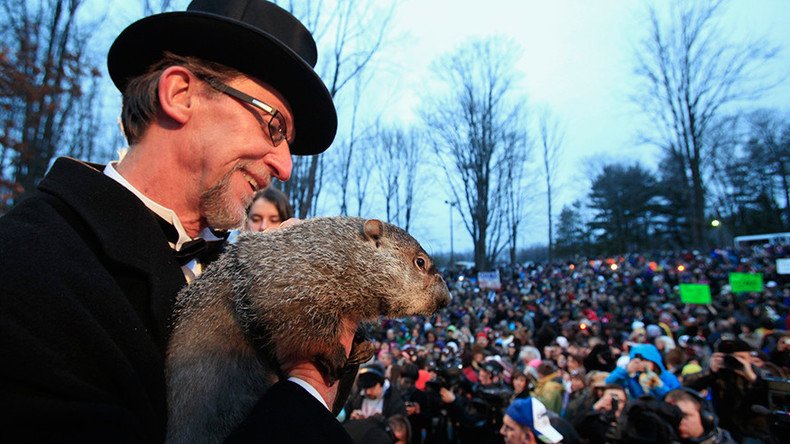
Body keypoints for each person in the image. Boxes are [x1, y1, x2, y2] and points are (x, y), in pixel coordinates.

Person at [0, 0, 345, 441]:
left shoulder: (240, 270)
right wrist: (308, 387)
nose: (284, 166)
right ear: (180, 95)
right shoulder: (27, 267)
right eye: (274, 127)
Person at [683, 338, 771, 443]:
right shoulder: (718, 373)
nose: (736, 361)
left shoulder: (761, 374)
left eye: (741, 357)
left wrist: (753, 379)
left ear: (750, 358)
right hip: (723, 428)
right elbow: (687, 388)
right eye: (733, 358)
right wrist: (710, 372)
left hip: (753, 431)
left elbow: (768, 401)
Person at [605, 343, 680, 399]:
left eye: (645, 360)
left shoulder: (668, 377)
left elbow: (675, 399)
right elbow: (609, 383)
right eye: (637, 361)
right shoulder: (632, 378)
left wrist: (657, 386)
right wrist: (626, 370)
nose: (641, 364)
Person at [664, 388, 736, 444]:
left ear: (705, 416)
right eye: (672, 418)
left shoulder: (723, 439)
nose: (679, 422)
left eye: (684, 415)